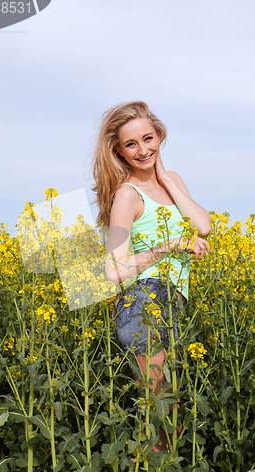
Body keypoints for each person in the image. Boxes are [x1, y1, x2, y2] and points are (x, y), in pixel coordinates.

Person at [91, 101, 211, 453]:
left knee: (169, 416)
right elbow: (113, 270)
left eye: (148, 139)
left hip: (173, 302)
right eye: (131, 144)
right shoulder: (127, 195)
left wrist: (165, 179)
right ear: (119, 151)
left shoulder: (173, 181)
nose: (142, 150)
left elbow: (203, 226)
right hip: (143, 303)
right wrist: (167, 246)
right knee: (159, 413)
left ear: (160, 136)